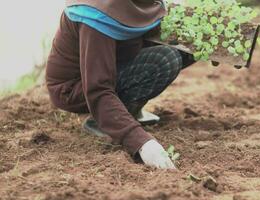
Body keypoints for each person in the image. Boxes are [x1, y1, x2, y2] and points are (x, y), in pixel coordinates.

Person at [45, 0, 194, 169]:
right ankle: (105, 121)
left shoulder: (140, 3)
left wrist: (219, 45)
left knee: (186, 46)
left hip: (114, 63)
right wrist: (142, 143)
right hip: (76, 87)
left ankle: (127, 110)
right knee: (165, 60)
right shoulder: (97, 14)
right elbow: (98, 89)